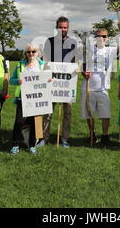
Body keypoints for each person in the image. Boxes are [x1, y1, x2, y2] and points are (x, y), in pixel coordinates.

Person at [40, 16, 77, 148]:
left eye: (65, 27)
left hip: (67, 83)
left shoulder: (73, 42)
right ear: (57, 27)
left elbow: (75, 61)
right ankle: (44, 137)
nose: (63, 29)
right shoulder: (49, 42)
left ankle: (65, 139)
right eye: (60, 27)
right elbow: (44, 60)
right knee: (48, 111)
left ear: (68, 28)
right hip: (52, 81)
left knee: (67, 113)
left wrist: (76, 69)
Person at [81, 28, 117, 146]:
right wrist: (83, 72)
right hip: (88, 87)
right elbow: (82, 64)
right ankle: (92, 134)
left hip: (103, 88)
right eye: (98, 36)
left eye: (104, 36)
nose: (101, 38)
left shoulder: (110, 50)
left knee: (105, 114)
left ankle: (105, 136)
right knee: (89, 113)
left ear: (107, 38)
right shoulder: (89, 50)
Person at [9, 44, 47, 156]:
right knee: (19, 121)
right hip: (22, 97)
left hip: (37, 98)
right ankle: (15, 145)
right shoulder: (20, 65)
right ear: (25, 53)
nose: (31, 54)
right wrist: (18, 81)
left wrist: (48, 80)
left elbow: (48, 79)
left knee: (35, 122)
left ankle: (32, 146)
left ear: (37, 53)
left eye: (33, 51)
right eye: (28, 52)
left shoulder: (43, 65)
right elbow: (12, 80)